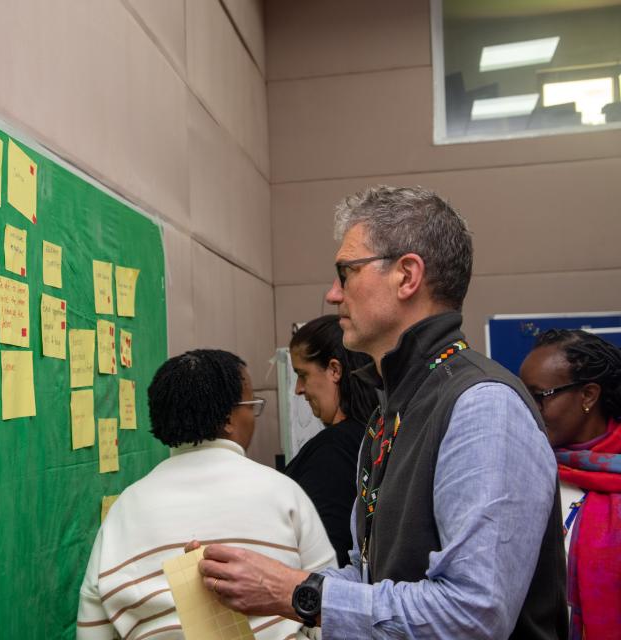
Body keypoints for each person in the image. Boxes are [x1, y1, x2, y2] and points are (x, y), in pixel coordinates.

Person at [192, 186, 568, 638]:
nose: (333, 294)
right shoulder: (392, 408)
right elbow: (370, 578)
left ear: (407, 276)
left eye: (346, 272)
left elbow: (472, 616)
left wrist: (295, 591)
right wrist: (266, 578)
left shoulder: (482, 406)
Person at [76, 349, 336, 639]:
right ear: (228, 418)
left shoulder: (123, 511)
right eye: (251, 405)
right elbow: (330, 612)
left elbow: (92, 630)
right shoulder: (285, 494)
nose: (254, 416)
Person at [519, 329, 621, 640]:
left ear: (588, 395)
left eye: (540, 396)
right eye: (523, 397)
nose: (528, 409)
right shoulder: (522, 473)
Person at [284, 315, 376, 566]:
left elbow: (328, 551)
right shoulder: (377, 435)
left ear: (334, 370)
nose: (298, 389)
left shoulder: (332, 451)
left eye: (303, 374)